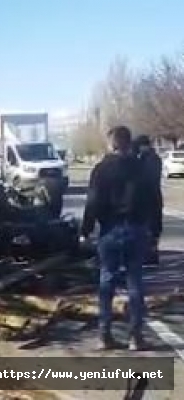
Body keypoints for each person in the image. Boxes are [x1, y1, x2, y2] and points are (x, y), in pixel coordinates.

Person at [81, 126, 152, 351]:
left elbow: (92, 201)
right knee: (135, 281)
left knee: (107, 281)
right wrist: (155, 230)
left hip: (110, 229)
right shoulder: (141, 168)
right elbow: (154, 199)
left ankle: (104, 334)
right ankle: (135, 336)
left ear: (112, 143)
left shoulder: (101, 169)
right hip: (136, 228)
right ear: (129, 142)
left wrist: (86, 229)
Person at [133, 135, 163, 265]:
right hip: (154, 198)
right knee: (153, 228)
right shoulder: (153, 158)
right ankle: (151, 253)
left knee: (149, 227)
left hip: (149, 199)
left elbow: (147, 179)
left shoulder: (148, 160)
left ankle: (150, 254)